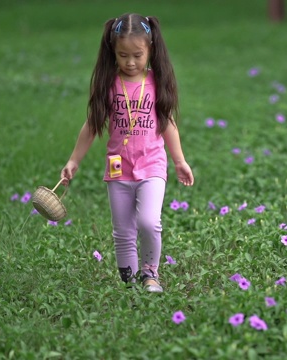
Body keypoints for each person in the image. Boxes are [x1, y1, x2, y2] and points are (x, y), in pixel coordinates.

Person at [60, 13, 194, 293]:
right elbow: (92, 125)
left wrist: (179, 161)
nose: (130, 62)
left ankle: (151, 273)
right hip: (119, 168)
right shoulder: (109, 84)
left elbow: (167, 123)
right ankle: (130, 282)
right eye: (123, 55)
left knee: (148, 221)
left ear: (151, 49)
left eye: (137, 55)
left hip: (152, 166)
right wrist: (74, 159)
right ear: (113, 52)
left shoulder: (157, 82)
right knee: (123, 230)